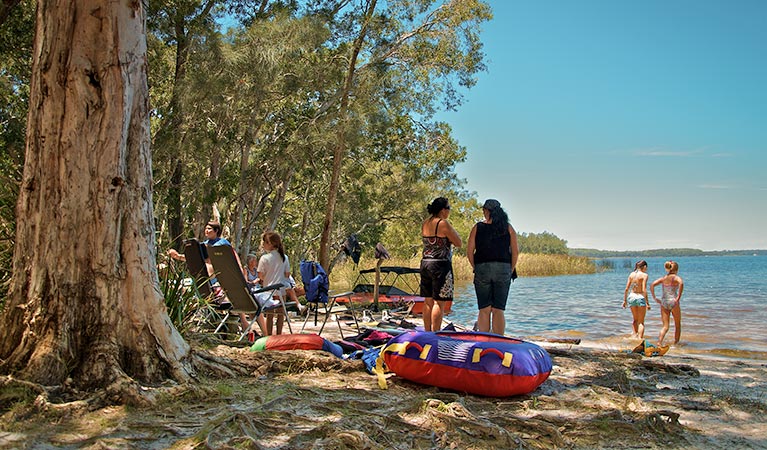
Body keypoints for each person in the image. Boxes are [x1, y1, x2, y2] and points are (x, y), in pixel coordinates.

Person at [467, 199, 518, 336]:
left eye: (483, 210)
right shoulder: (508, 228)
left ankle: (484, 341)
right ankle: (499, 341)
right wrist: (511, 269)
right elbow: (515, 251)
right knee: (498, 309)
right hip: (503, 268)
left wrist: (475, 266)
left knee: (484, 309)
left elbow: (470, 251)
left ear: (486, 211)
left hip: (482, 268)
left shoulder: (477, 227)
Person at [419, 197, 462, 332]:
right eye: (448, 208)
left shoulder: (425, 223)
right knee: (439, 302)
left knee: (428, 301)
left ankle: (427, 332)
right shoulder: (443, 223)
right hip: (440, 265)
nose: (449, 211)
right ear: (443, 210)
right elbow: (458, 242)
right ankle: (436, 333)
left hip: (425, 263)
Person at [254, 231, 304, 335]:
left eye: (265, 242)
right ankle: (279, 335)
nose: (263, 245)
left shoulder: (264, 258)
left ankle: (268, 336)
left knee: (269, 315)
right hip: (281, 290)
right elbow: (287, 274)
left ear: (271, 243)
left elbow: (260, 275)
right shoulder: (284, 257)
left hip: (268, 290)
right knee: (281, 314)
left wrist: (265, 280)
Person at [650, 260, 684, 346]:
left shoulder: (663, 278)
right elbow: (681, 283)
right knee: (677, 324)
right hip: (673, 301)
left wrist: (654, 297)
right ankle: (676, 343)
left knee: (665, 326)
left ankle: (659, 342)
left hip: (664, 302)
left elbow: (652, 285)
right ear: (676, 270)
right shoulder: (676, 277)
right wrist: (679, 297)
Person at [622, 260, 650, 338]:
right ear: (644, 267)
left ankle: (634, 336)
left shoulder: (631, 274)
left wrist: (624, 301)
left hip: (631, 296)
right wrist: (647, 302)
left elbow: (626, 289)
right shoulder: (644, 275)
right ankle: (640, 339)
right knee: (641, 322)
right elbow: (644, 289)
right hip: (640, 297)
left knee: (635, 320)